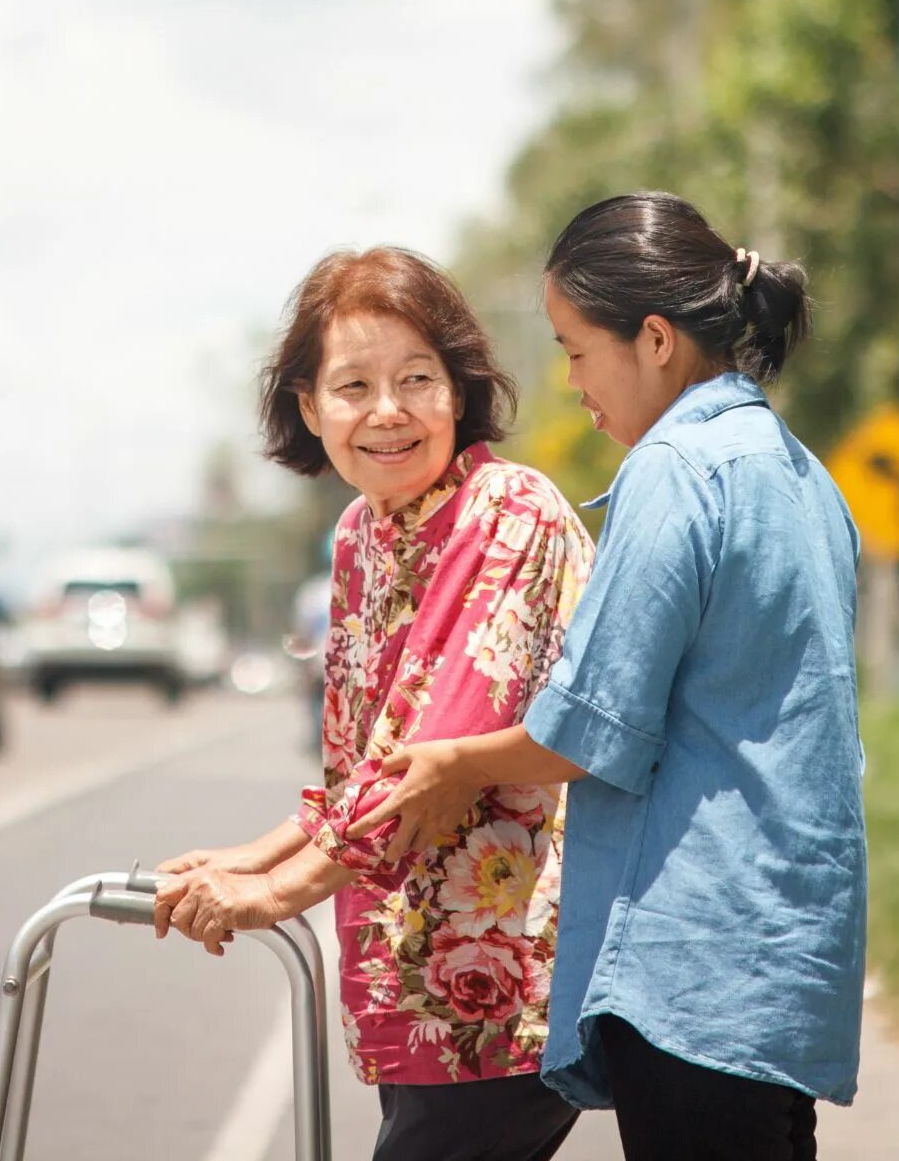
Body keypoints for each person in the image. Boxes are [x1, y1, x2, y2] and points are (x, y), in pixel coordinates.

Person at [349, 192, 867, 1161]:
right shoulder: (801, 471)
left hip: (692, 966)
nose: (575, 383)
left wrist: (450, 762)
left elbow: (588, 728)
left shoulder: (676, 470)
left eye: (578, 349)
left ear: (657, 341)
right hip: (784, 957)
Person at [152, 247, 595, 1160]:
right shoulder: (361, 533)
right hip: (405, 966)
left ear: (459, 392)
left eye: (417, 379)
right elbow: (363, 763)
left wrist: (275, 893)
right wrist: (250, 855)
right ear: (311, 409)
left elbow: (428, 761)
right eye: (353, 386)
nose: (387, 412)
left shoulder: (507, 512)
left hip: (510, 975)